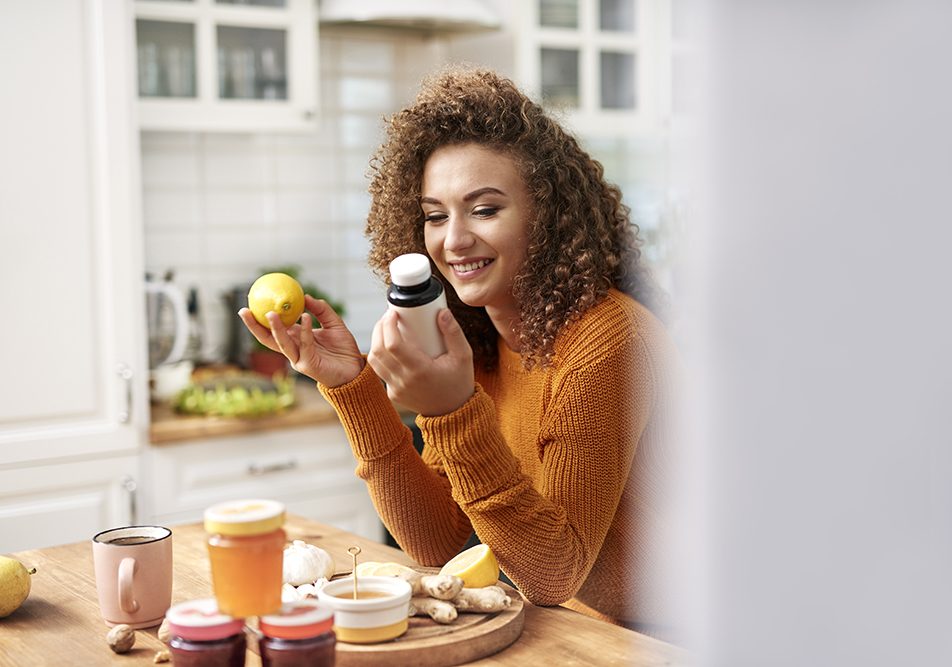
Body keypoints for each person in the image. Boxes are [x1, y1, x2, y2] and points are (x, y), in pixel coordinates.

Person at [239, 66, 680, 637]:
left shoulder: (608, 341)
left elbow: (554, 573)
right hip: (572, 628)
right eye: (435, 215)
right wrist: (355, 388)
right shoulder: (479, 340)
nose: (453, 240)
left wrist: (450, 411)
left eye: (486, 209)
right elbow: (442, 543)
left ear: (548, 217)